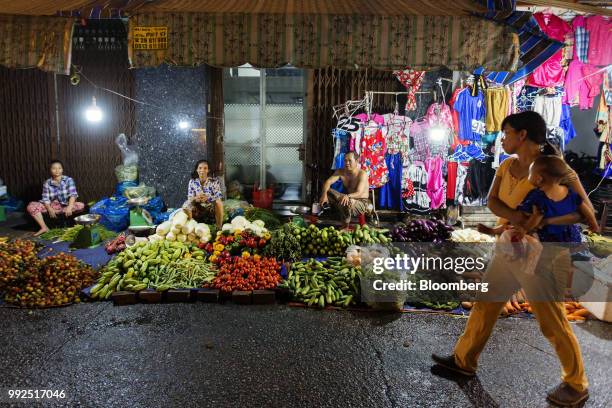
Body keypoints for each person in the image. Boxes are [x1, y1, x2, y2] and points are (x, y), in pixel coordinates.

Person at [432, 111, 593, 407]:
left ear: (522, 135)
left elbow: (585, 210)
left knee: (551, 319)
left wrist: (542, 222)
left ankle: (576, 383)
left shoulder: (558, 170)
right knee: (486, 303)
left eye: (506, 133)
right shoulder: (507, 166)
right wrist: (519, 217)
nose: (502, 138)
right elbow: (492, 200)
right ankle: (463, 360)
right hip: (511, 246)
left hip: (545, 254)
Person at [26, 160, 85, 236]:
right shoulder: (47, 183)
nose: (57, 170)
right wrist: (49, 209)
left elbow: (73, 195)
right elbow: (45, 198)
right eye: (54, 168)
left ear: (62, 169)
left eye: (59, 168)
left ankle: (66, 223)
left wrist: (70, 207)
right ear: (50, 170)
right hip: (51, 206)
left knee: (81, 206)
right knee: (31, 207)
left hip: (65, 206)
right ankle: (44, 227)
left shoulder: (68, 180)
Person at [319, 152, 369, 230]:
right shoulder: (341, 171)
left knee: (346, 201)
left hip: (362, 202)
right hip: (347, 198)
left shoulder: (362, 174)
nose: (347, 163)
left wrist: (347, 196)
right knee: (327, 191)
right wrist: (324, 195)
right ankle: (337, 214)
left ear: (356, 161)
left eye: (349, 161)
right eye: (345, 160)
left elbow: (359, 193)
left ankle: (346, 226)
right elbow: (328, 182)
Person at [184, 160, 224, 229]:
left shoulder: (214, 181)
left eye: (205, 168)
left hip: (210, 208)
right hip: (197, 207)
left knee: (218, 202)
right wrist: (196, 198)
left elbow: (218, 197)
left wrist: (208, 198)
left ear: (208, 170)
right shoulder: (192, 182)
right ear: (197, 170)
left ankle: (219, 227)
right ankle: (191, 226)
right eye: (200, 168)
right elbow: (190, 198)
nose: (202, 170)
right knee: (186, 205)